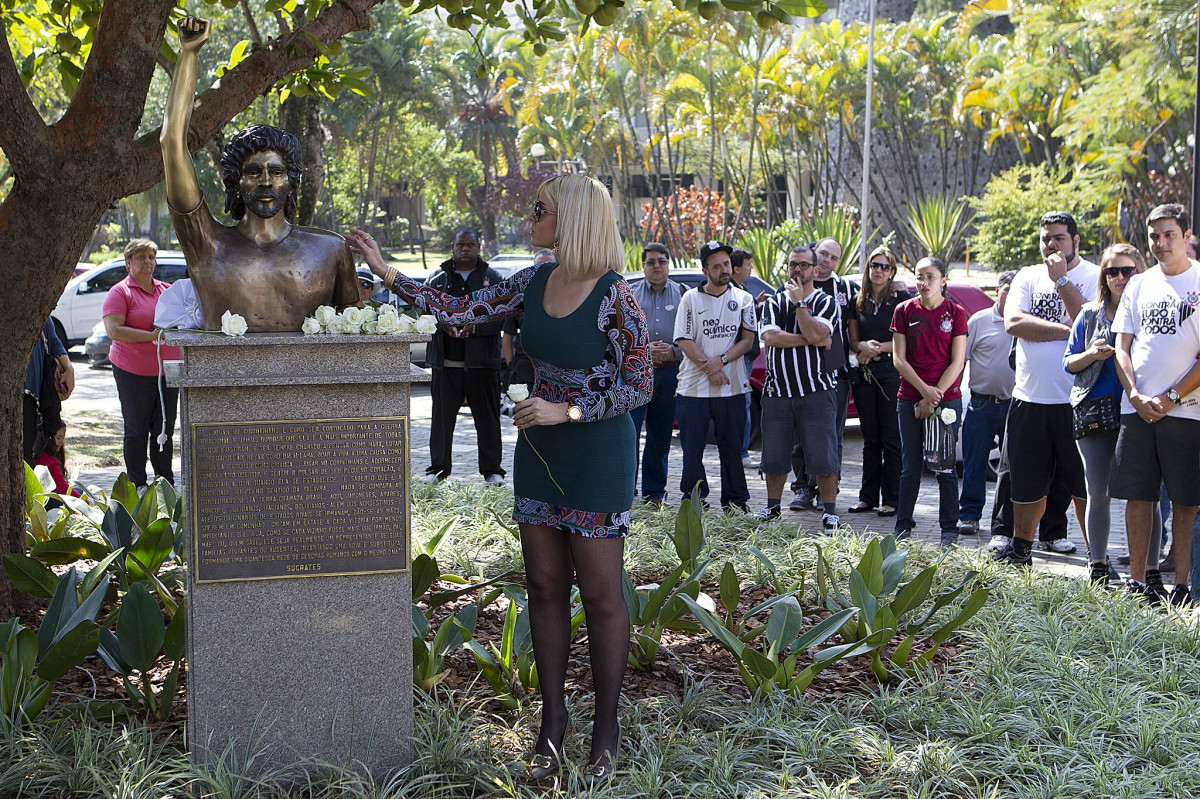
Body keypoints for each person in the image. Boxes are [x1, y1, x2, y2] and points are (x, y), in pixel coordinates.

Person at [348, 174, 650, 786]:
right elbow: (459, 314)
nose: (529, 216)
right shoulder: (532, 280)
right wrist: (386, 270)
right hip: (541, 457)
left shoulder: (617, 296)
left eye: (539, 209)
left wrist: (567, 409)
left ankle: (607, 730)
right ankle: (553, 724)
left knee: (600, 594)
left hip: (595, 458)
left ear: (570, 218)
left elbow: (638, 384)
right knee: (542, 585)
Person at [161, 17, 357, 332]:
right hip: (221, 380)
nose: (265, 180)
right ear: (235, 183)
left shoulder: (331, 249)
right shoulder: (208, 245)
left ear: (292, 182)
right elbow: (171, 143)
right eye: (253, 171)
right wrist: (188, 55)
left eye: (276, 171)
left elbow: (356, 341)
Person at [993, 211, 1099, 566]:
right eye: (1045, 239)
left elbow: (1092, 325)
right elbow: (1014, 322)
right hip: (1029, 399)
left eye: (1059, 238)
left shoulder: (1095, 275)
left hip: (1078, 401)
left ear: (1076, 241)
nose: (1051, 245)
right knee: (1025, 483)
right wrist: (1067, 331)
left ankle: (1097, 559)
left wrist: (1063, 282)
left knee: (1084, 487)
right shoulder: (1027, 275)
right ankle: (1021, 548)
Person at [1111, 203, 1200, 605]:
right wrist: (1134, 394)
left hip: (1187, 411)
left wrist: (1171, 397)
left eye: (1169, 234)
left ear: (1185, 236)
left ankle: (1182, 585)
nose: (1161, 243)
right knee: (1139, 496)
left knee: (1185, 500)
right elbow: (1122, 346)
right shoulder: (1138, 284)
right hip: (1138, 409)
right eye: (1154, 236)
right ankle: (1139, 581)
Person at [1065, 244, 1153, 585]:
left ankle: (1148, 571)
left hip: (1137, 410)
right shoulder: (1090, 314)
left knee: (1144, 494)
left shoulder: (1148, 313)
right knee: (1097, 491)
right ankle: (1098, 565)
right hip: (1095, 412)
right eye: (1111, 272)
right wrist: (1091, 354)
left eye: (1127, 270)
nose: (1119, 277)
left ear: (1139, 271)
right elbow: (1068, 363)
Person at [756, 245, 841, 532]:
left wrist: (801, 307)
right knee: (774, 456)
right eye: (793, 264)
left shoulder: (827, 302)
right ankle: (772, 508)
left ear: (816, 270)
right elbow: (771, 337)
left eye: (804, 265)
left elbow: (818, 331)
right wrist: (811, 339)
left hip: (816, 391)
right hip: (777, 393)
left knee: (824, 456)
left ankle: (829, 512)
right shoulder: (773, 302)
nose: (797, 270)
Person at [673, 240, 757, 512]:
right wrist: (709, 368)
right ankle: (695, 498)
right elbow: (684, 340)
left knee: (731, 449)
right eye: (717, 266)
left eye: (726, 264)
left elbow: (747, 340)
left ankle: (735, 501)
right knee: (692, 451)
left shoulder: (744, 299)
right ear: (704, 270)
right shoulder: (690, 299)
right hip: (692, 390)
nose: (724, 270)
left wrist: (719, 362)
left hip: (731, 388)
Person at [891, 257, 968, 546]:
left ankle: (950, 529)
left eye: (931, 277)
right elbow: (899, 359)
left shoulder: (956, 313)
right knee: (910, 466)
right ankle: (903, 527)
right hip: (910, 398)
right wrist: (924, 392)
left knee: (944, 467)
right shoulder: (903, 311)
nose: (924, 283)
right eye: (919, 277)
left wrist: (934, 397)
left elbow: (958, 361)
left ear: (943, 280)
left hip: (946, 400)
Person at [423, 228, 507, 485]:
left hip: (483, 364)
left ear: (479, 246)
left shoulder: (493, 280)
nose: (466, 249)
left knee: (489, 419)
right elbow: (424, 315)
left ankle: (493, 471)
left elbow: (503, 315)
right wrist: (442, 325)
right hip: (445, 364)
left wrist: (476, 326)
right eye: (461, 244)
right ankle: (437, 470)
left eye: (471, 244)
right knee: (441, 420)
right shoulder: (437, 280)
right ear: (452, 246)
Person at [102, 239, 182, 488]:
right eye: (140, 257)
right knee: (136, 431)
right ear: (128, 263)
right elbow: (114, 330)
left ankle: (164, 484)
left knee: (164, 430)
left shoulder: (166, 291)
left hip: (167, 373)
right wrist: (150, 337)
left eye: (151, 257)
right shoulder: (120, 292)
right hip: (132, 372)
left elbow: (182, 321)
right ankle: (137, 485)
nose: (147, 262)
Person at [790, 237, 857, 509]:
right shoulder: (794, 288)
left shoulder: (846, 288)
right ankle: (802, 487)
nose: (827, 261)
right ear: (813, 256)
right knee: (800, 435)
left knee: (833, 434)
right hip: (800, 373)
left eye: (833, 258)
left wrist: (899, 288)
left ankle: (829, 487)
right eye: (823, 254)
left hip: (835, 371)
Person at [847, 246, 910, 517]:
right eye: (875, 265)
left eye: (885, 266)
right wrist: (862, 345)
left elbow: (905, 341)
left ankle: (892, 499)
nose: (879, 270)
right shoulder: (857, 301)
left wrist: (876, 348)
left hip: (890, 372)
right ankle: (867, 497)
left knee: (891, 438)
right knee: (870, 439)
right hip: (864, 374)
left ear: (892, 271)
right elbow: (852, 340)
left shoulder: (899, 300)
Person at [957, 271, 1016, 536]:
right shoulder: (979, 321)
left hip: (1014, 406)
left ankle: (1006, 524)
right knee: (974, 463)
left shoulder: (1025, 323)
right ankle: (969, 515)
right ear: (997, 291)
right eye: (1006, 289)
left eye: (1016, 290)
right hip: (980, 404)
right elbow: (960, 362)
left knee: (1012, 469)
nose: (1010, 294)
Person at [629, 242, 684, 506]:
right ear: (644, 265)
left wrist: (673, 352)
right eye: (651, 262)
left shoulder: (683, 294)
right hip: (636, 375)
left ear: (668, 264)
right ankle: (626, 490)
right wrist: (643, 350)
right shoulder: (629, 293)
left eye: (661, 261)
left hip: (669, 375)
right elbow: (618, 334)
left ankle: (654, 493)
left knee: (660, 436)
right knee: (628, 434)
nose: (657, 266)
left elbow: (691, 336)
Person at [501, 248, 556, 413]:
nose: (544, 270)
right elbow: (507, 337)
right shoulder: (520, 298)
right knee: (526, 419)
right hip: (525, 371)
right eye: (540, 266)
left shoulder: (566, 297)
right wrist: (511, 365)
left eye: (549, 265)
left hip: (555, 372)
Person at [730, 247, 769, 469]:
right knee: (742, 403)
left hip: (747, 356)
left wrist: (756, 304)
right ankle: (742, 452)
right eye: (747, 265)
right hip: (739, 357)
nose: (751, 269)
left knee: (743, 404)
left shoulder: (742, 290)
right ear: (736, 268)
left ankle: (741, 451)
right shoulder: (732, 293)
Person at [23, 318, 74, 465]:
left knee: (26, 454)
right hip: (15, 388)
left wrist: (68, 367)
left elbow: (51, 334)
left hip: (32, 392)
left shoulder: (34, 300)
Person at [32, 422, 81, 497]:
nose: (61, 441)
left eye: (63, 438)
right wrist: (82, 499)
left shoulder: (38, 455)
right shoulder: (50, 461)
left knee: (77, 490)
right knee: (79, 492)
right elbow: (61, 488)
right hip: (49, 498)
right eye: (58, 438)